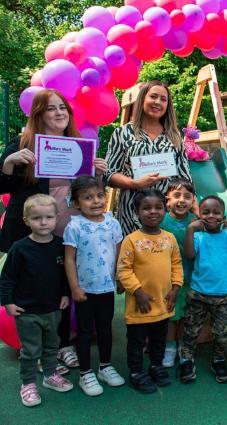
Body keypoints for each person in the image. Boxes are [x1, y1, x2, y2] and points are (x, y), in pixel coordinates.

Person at [0, 88, 107, 372]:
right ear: (38, 113)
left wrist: (98, 173)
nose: (59, 113)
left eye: (63, 108)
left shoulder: (79, 146)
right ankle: (34, 349)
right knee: (35, 288)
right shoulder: (22, 143)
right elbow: (4, 186)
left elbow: (88, 192)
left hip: (69, 231)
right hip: (36, 231)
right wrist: (10, 163)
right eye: (51, 108)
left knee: (64, 286)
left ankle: (63, 345)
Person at [0, 194, 73, 407]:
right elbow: (7, 278)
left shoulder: (61, 245)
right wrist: (8, 302)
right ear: (26, 221)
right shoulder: (19, 248)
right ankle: (28, 384)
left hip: (53, 309)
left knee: (52, 345)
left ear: (56, 218)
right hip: (27, 311)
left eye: (48, 217)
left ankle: (50, 375)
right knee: (31, 350)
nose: (43, 222)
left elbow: (65, 275)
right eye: (36, 218)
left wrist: (65, 294)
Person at [117, 189, 184, 394]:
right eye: (146, 208)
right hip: (140, 305)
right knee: (136, 341)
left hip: (164, 303)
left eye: (158, 207)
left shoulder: (170, 238)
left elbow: (177, 264)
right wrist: (138, 293)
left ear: (165, 210)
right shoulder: (131, 240)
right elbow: (123, 269)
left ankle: (156, 366)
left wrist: (175, 289)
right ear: (137, 212)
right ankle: (136, 372)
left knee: (158, 339)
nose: (153, 212)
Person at [104, 80, 193, 236]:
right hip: (131, 216)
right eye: (153, 96)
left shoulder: (174, 136)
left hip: (166, 218)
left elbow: (185, 178)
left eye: (163, 99)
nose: (158, 102)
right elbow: (108, 174)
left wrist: (196, 209)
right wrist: (134, 183)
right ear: (143, 99)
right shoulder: (122, 133)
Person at [63, 176, 125, 396]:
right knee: (85, 332)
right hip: (85, 291)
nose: (96, 201)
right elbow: (69, 259)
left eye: (100, 195)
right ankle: (85, 373)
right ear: (77, 203)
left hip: (106, 289)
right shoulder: (75, 226)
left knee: (106, 328)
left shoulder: (113, 223)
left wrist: (120, 279)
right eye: (88, 197)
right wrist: (74, 287)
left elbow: (120, 254)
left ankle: (105, 367)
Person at [178, 196, 227, 384]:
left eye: (216, 212)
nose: (211, 216)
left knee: (222, 333)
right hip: (198, 293)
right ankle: (186, 359)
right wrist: (190, 230)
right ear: (199, 214)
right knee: (191, 330)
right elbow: (189, 255)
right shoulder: (199, 236)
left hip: (223, 295)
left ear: (223, 215)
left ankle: (219, 360)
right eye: (206, 212)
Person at [160, 178, 197, 368]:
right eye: (176, 195)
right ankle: (169, 347)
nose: (182, 200)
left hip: (190, 278)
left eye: (187, 196)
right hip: (168, 280)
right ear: (168, 199)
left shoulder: (197, 222)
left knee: (185, 316)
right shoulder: (162, 221)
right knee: (170, 315)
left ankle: (184, 347)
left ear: (193, 201)